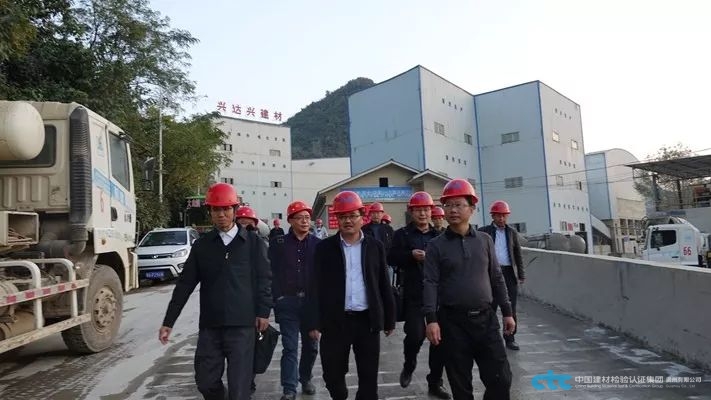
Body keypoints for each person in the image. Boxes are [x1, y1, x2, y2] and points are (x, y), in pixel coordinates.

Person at [159, 182, 272, 400]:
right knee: (206, 382)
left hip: (242, 327)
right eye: (216, 210)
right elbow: (185, 285)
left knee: (240, 390)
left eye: (226, 209)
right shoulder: (202, 246)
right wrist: (169, 321)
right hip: (211, 327)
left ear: (235, 210)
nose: (221, 215)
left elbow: (264, 279)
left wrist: (263, 312)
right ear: (210, 212)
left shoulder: (252, 243)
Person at [423, 179, 515, 400]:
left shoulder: (484, 240)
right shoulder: (436, 246)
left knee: (501, 379)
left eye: (459, 204)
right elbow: (430, 282)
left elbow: (497, 278)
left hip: (486, 320)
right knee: (461, 386)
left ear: (472, 208)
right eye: (448, 205)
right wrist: (431, 320)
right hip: (452, 323)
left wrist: (507, 312)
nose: (453, 210)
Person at [306, 191, 396, 400]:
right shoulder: (324, 248)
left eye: (353, 216)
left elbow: (384, 283)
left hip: (367, 321)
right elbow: (314, 286)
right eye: (343, 216)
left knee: (369, 378)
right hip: (335, 321)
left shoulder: (375, 247)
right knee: (332, 375)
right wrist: (313, 321)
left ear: (362, 217)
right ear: (337, 219)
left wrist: (389, 318)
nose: (348, 221)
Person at [388, 191, 450, 399]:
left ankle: (435, 382)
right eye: (418, 210)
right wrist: (410, 255)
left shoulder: (439, 236)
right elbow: (391, 257)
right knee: (415, 335)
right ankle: (409, 364)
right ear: (411, 212)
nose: (422, 214)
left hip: (438, 295)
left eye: (426, 210)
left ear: (431, 211)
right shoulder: (402, 235)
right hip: (413, 293)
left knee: (439, 340)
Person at [270, 201, 321, 400]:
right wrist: (278, 297)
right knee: (290, 347)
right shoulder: (279, 244)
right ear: (290, 220)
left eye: (307, 218)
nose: (304, 221)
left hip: (311, 303)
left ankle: (305, 378)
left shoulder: (318, 244)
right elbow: (271, 272)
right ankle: (289, 389)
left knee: (311, 346)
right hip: (287, 303)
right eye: (300, 218)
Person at [478, 200, 525, 351]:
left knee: (510, 307)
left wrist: (521, 274)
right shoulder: (484, 232)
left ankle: (510, 339)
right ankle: (488, 339)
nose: (501, 218)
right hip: (490, 273)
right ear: (493, 216)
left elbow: (518, 254)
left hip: (508, 273)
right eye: (498, 215)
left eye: (504, 215)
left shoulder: (512, 232)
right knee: (489, 307)